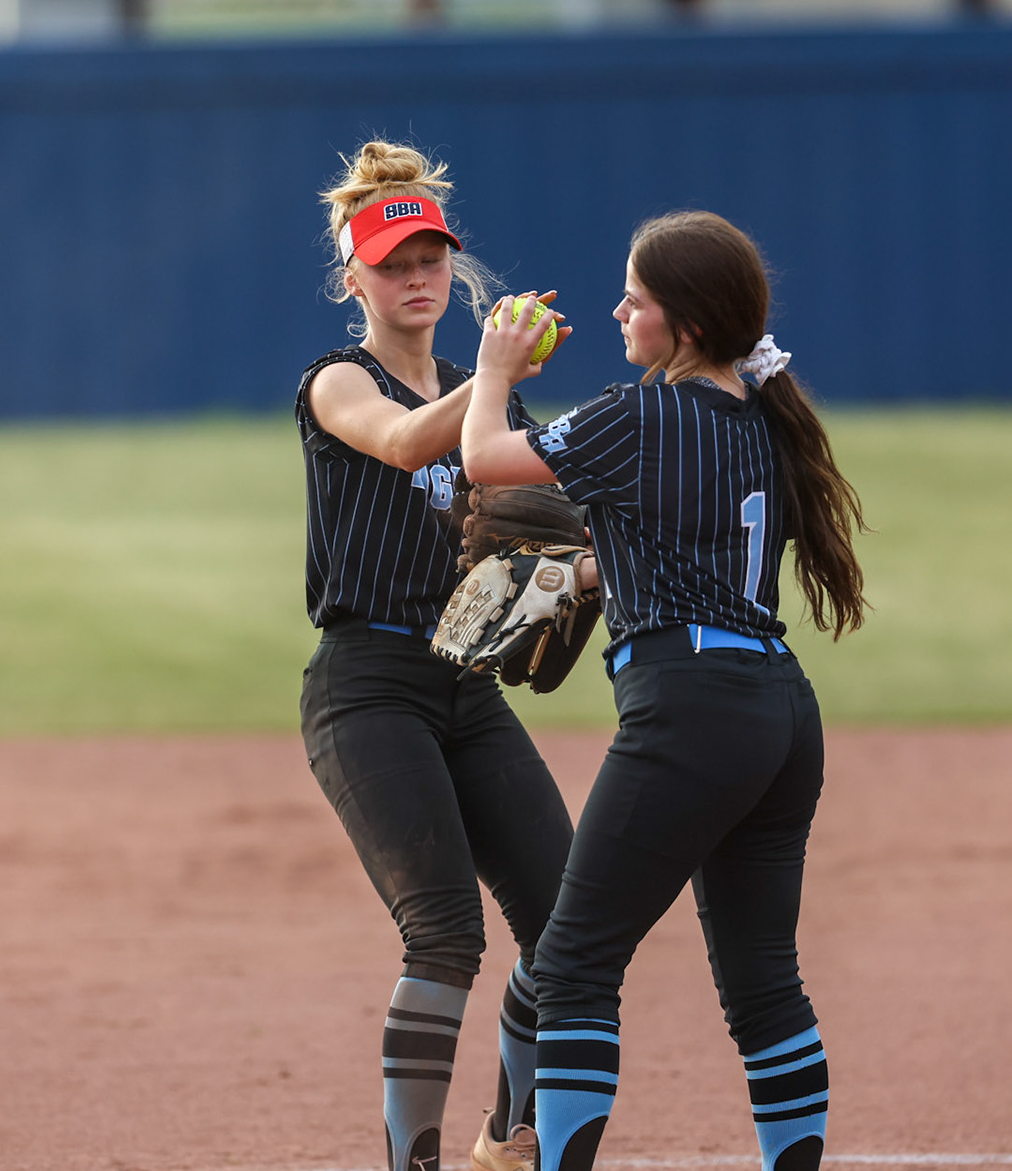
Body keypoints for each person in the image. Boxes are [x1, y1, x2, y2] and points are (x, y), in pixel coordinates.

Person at [457, 210, 869, 1171]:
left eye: (634, 299)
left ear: (683, 324)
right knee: (765, 984)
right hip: (779, 713)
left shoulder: (638, 412)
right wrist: (596, 574)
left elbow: (482, 460)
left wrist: (495, 370)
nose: (618, 312)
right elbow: (688, 548)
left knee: (570, 971)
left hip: (691, 708)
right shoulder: (761, 424)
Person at [297, 139, 577, 1171]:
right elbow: (407, 443)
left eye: (431, 258)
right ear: (353, 278)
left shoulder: (479, 386)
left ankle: (509, 1139)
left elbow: (559, 509)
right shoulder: (337, 380)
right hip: (365, 689)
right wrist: (498, 377)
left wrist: (588, 563)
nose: (416, 277)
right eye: (392, 262)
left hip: (463, 679)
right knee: (447, 930)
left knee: (569, 919)